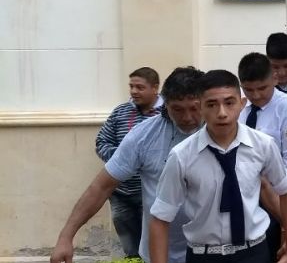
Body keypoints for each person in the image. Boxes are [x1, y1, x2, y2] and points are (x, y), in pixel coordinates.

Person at [51, 67, 205, 263]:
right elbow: (101, 186)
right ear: (165, 105)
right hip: (159, 255)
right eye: (178, 109)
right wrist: (66, 236)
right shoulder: (144, 135)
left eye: (195, 108)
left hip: (212, 254)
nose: (187, 117)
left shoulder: (219, 134)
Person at [149, 70, 287, 263]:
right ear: (200, 108)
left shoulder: (263, 145)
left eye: (229, 103)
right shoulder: (182, 155)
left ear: (242, 104)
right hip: (203, 255)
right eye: (211, 105)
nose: (221, 113)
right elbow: (160, 218)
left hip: (254, 253)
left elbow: (286, 190)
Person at [237, 52, 287, 263]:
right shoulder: (236, 107)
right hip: (239, 195)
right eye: (249, 89)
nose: (255, 95)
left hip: (274, 198)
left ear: (274, 78)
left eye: (262, 88)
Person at [95, 67, 163, 258]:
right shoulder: (120, 112)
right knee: (130, 249)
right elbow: (101, 142)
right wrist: (123, 157)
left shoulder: (165, 115)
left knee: (151, 245)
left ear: (155, 88)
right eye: (131, 86)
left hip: (149, 193)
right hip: (120, 193)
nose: (134, 91)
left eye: (140, 87)